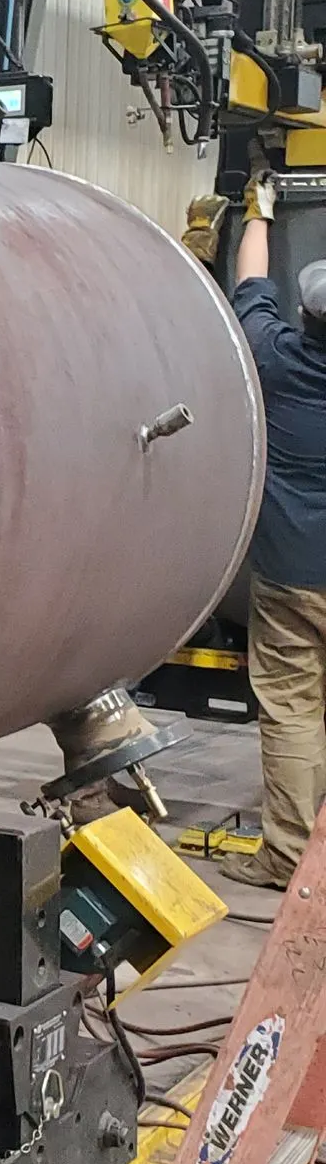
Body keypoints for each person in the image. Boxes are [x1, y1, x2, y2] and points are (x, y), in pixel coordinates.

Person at [231, 175, 326, 885]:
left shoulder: (273, 357)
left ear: (305, 314)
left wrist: (258, 211)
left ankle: (289, 856)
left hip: (293, 570)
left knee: (292, 710)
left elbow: (250, 288)